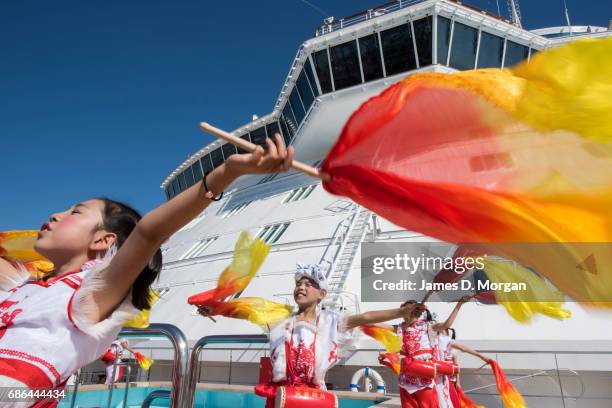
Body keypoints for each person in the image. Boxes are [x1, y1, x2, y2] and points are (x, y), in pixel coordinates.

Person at [0, 134, 294, 406]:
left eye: (75, 212)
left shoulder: (90, 293)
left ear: (103, 240)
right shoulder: (21, 285)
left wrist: (226, 173)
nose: (55, 214)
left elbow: (148, 234)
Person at [251, 263, 425, 408]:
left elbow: (365, 317)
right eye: (298, 284)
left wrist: (400, 311)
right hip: (280, 397)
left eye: (308, 284)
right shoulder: (282, 324)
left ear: (322, 294)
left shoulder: (330, 322)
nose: (301, 288)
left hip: (312, 396)